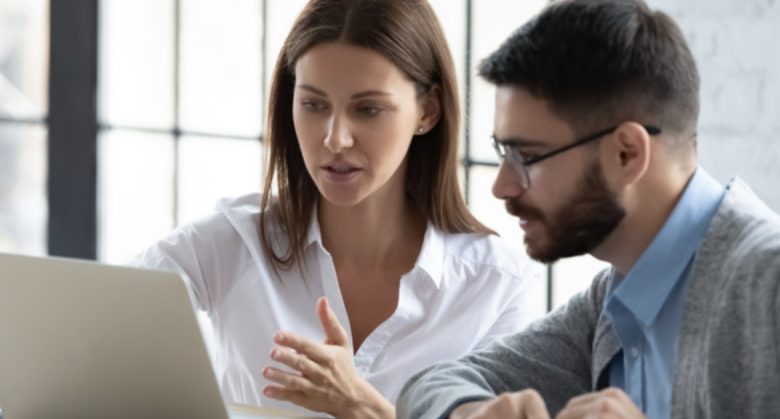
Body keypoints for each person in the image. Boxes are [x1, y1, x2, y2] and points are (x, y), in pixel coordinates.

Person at [132, 0, 544, 417]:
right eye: (314, 105)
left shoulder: (496, 288)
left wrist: (360, 406)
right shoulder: (228, 245)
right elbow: (90, 329)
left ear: (427, 111)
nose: (335, 139)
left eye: (367, 109)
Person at [396, 0, 780, 418]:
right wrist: (473, 413)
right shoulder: (611, 301)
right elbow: (428, 386)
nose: (502, 186)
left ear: (626, 153)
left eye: (526, 156)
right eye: (502, 152)